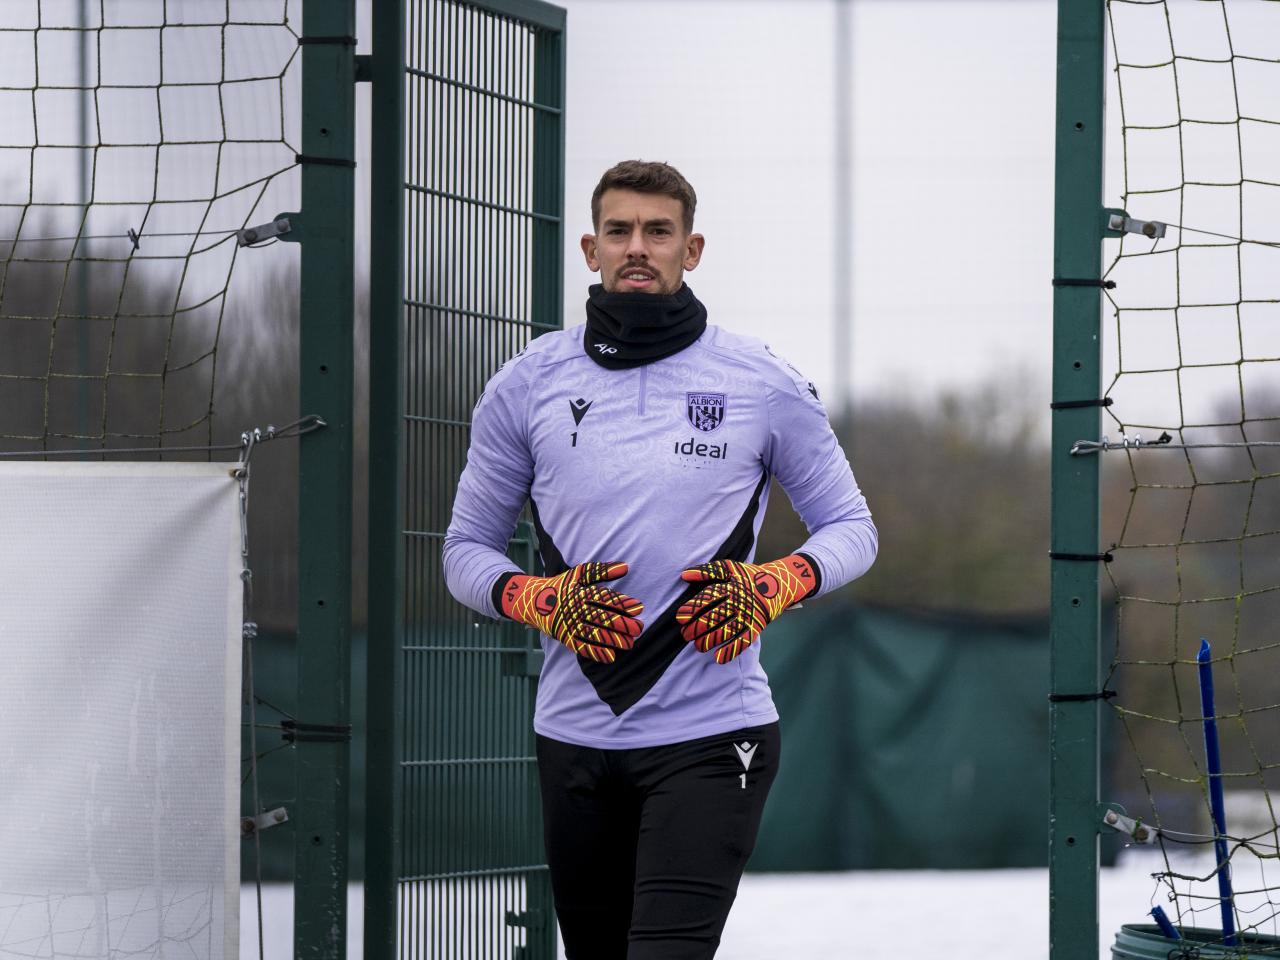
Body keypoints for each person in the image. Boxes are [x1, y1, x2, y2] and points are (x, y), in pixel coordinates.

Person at [443, 160, 877, 960]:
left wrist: (778, 581)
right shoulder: (523, 386)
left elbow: (852, 528)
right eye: (619, 230)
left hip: (715, 735)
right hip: (573, 735)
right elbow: (463, 552)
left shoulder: (762, 381)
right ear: (590, 247)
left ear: (692, 248)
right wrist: (535, 599)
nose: (637, 247)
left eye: (658, 231)